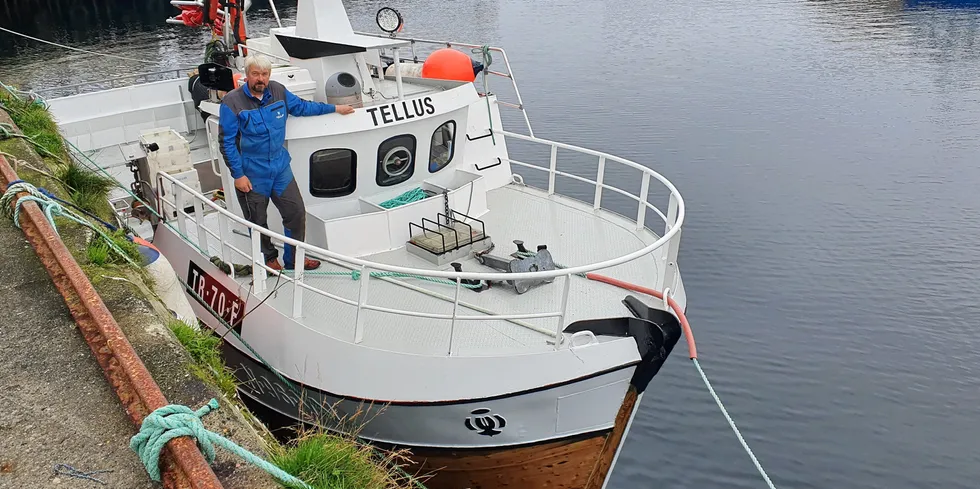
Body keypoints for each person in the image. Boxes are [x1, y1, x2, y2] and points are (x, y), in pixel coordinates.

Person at [218, 53, 355, 271]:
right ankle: (269, 258)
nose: (260, 79)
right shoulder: (232, 102)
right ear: (247, 75)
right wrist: (238, 175)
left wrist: (335, 108)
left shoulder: (278, 90)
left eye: (264, 74)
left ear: (269, 75)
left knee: (296, 212)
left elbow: (301, 107)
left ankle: (294, 260)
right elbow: (226, 143)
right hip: (252, 173)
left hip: (280, 168)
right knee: (257, 220)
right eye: (255, 74)